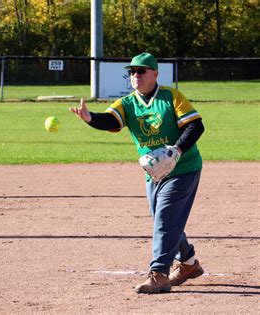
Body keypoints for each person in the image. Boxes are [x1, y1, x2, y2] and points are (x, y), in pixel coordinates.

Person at [70, 52, 205, 294]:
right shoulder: (128, 103)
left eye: (141, 71)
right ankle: (189, 263)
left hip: (183, 168)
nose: (135, 76)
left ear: (155, 73)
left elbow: (196, 125)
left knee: (164, 220)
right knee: (165, 221)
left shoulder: (170, 96)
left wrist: (177, 150)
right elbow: (111, 120)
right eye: (132, 72)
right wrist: (90, 118)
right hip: (154, 172)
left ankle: (159, 274)